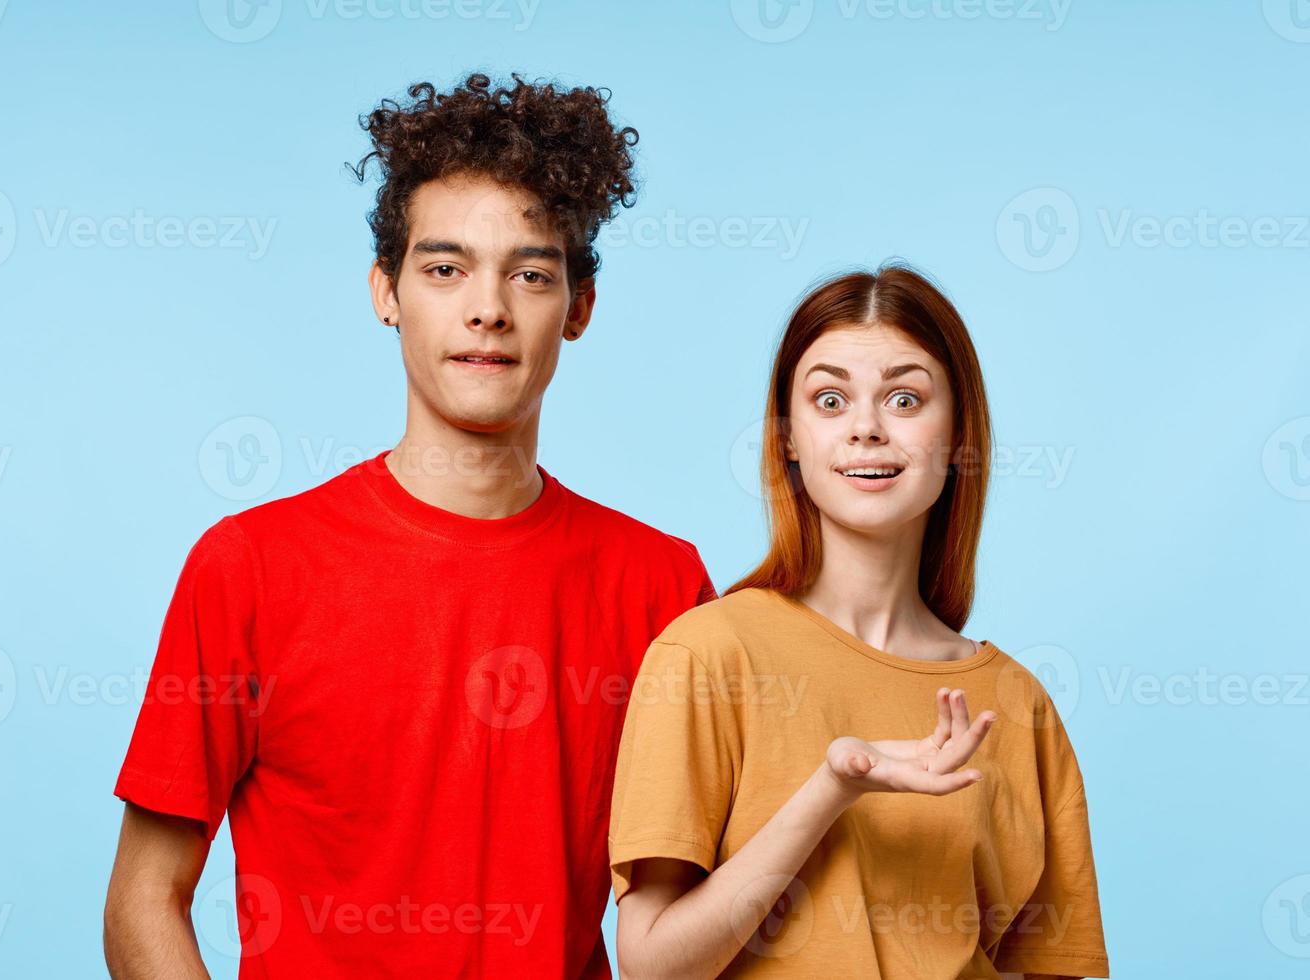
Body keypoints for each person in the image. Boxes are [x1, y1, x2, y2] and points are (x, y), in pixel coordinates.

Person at [102, 72, 716, 979]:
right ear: (385, 291)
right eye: (444, 268)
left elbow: (693, 921)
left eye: (532, 273)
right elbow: (143, 899)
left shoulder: (661, 586)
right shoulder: (250, 567)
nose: (488, 308)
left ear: (578, 307)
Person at [608, 265, 1109, 979]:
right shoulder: (707, 655)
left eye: (905, 398)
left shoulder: (1016, 704)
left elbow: (1046, 966)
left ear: (958, 433)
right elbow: (653, 966)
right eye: (830, 399)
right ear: (788, 438)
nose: (867, 429)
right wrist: (832, 789)